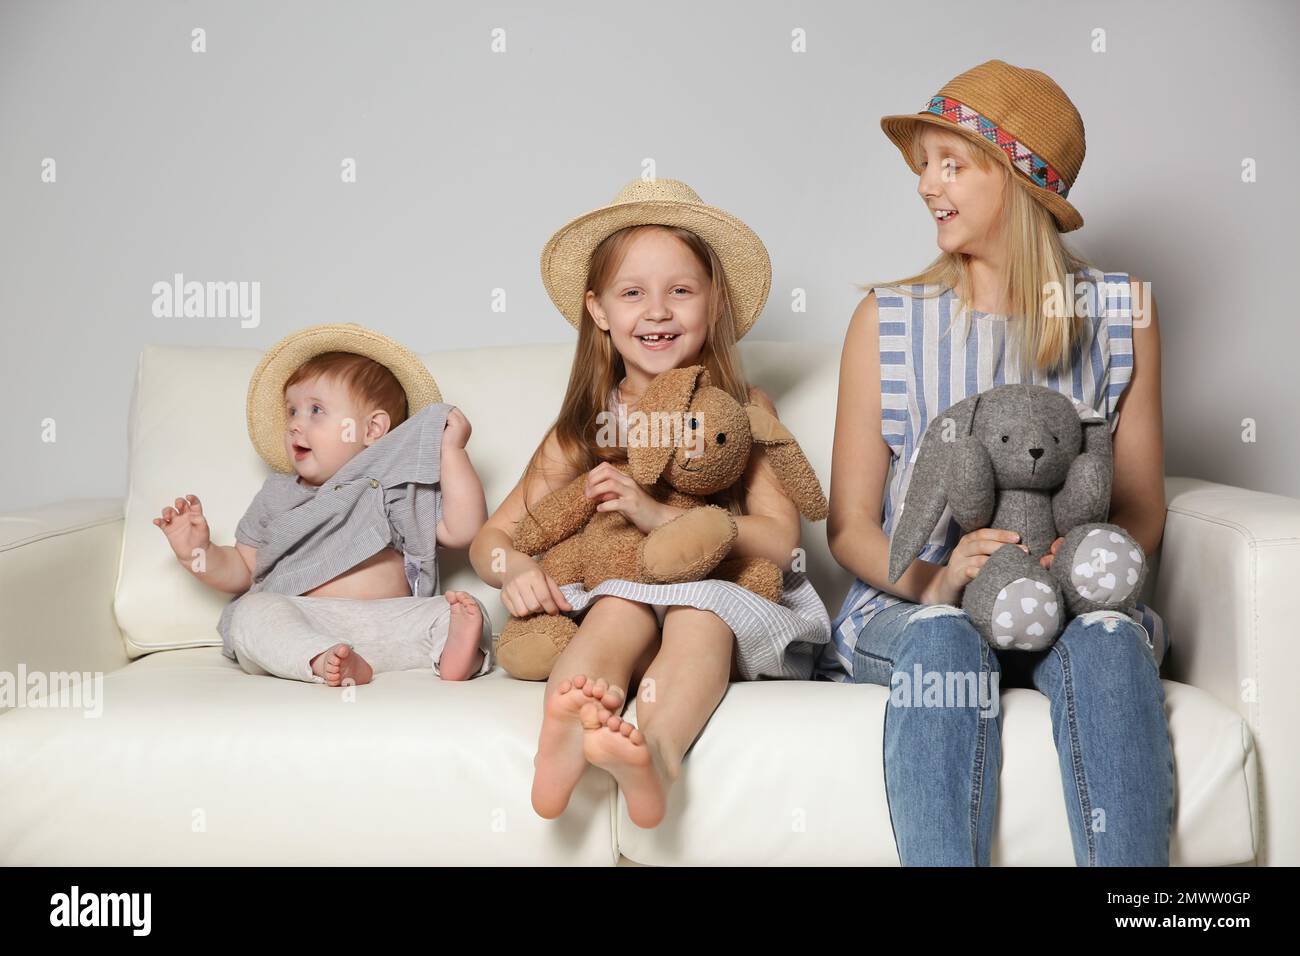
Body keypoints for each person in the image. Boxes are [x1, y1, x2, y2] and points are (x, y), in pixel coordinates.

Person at [819, 60, 1174, 865]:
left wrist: (1086, 564)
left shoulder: (1120, 315)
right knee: (948, 638)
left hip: (1066, 603)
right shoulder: (888, 320)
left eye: (953, 164)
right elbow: (847, 524)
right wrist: (937, 581)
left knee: (1113, 642)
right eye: (924, 166)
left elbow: (1145, 503)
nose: (926, 186)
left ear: (1017, 184)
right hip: (916, 608)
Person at [470, 179, 832, 828]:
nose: (658, 311)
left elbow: (783, 541)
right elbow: (492, 540)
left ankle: (654, 759)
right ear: (599, 310)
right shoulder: (585, 425)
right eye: (633, 292)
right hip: (623, 589)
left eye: (681, 290)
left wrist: (669, 520)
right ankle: (563, 739)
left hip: (719, 591)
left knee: (700, 617)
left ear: (713, 302)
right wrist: (516, 571)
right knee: (616, 608)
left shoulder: (745, 411)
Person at [154, 323, 494, 685]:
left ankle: (456, 655)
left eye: (316, 410)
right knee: (251, 613)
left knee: (459, 610)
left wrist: (451, 451)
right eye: (292, 412)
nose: (296, 425)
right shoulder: (278, 495)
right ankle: (319, 658)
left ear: (372, 430)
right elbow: (243, 569)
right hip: (303, 618)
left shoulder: (391, 487)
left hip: (389, 623)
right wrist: (198, 553)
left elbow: (464, 531)